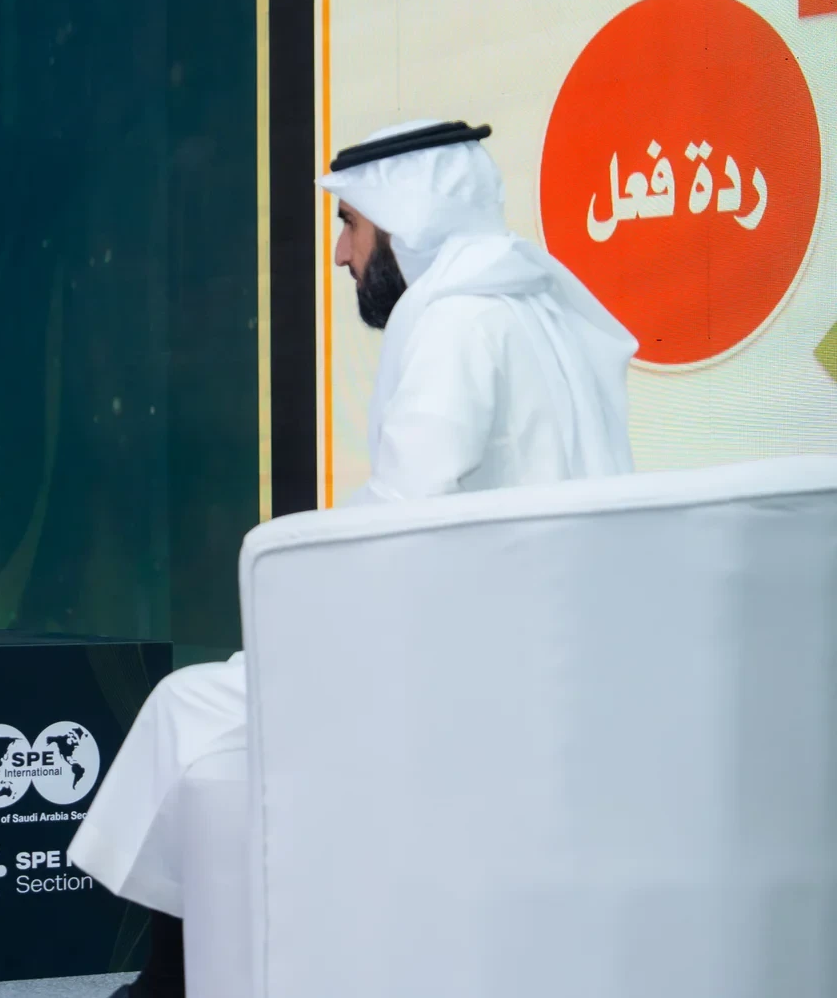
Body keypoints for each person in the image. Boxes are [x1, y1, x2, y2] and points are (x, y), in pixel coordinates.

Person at [69, 120, 639, 996]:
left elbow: (400, 520)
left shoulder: (458, 322)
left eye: (352, 226)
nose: (340, 253)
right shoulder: (534, 310)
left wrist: (296, 596)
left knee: (186, 703)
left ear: (405, 221)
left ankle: (172, 979)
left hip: (466, 675)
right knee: (219, 697)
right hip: (540, 657)